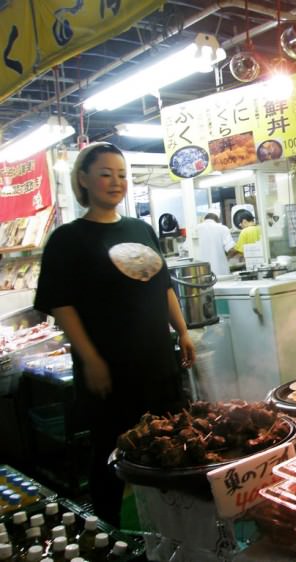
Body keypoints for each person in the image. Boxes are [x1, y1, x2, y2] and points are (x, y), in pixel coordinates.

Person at [34, 142, 196, 527]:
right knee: (113, 451)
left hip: (158, 359)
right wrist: (90, 358)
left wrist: (183, 332)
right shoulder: (67, 239)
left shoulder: (140, 228)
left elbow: (163, 285)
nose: (115, 182)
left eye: (122, 174)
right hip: (110, 368)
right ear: (83, 180)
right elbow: (61, 304)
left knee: (174, 443)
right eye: (105, 174)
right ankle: (112, 532)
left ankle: (175, 522)